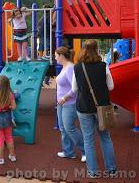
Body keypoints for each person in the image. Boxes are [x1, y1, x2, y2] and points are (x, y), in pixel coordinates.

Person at [71, 40, 117, 178]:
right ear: (97, 50)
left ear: (83, 49)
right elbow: (111, 87)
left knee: (88, 139)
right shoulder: (103, 66)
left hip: (84, 107)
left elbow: (74, 89)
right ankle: (111, 169)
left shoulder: (78, 67)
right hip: (101, 107)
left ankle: (93, 172)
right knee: (105, 137)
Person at [55, 46, 86, 163]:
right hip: (61, 103)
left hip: (69, 103)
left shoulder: (70, 68)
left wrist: (64, 98)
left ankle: (85, 151)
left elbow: (75, 89)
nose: (55, 58)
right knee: (63, 128)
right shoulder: (64, 67)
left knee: (69, 127)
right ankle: (68, 151)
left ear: (62, 56)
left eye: (56, 56)